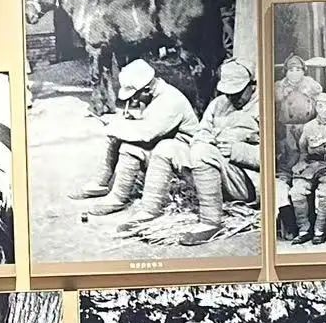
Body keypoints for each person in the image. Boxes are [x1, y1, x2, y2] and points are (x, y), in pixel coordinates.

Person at [72, 58, 200, 222]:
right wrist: (128, 122)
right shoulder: (153, 95)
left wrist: (117, 127)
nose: (133, 101)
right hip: (164, 144)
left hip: (183, 155)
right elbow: (150, 124)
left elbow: (148, 133)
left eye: (135, 96)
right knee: (118, 138)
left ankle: (122, 198)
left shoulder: (170, 100)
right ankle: (100, 183)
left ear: (147, 89)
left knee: (130, 148)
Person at [190, 59, 262, 237]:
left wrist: (238, 151)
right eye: (228, 93)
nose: (232, 98)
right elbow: (200, 133)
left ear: (252, 85)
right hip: (215, 173)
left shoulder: (266, 106)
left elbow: (279, 158)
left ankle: (210, 222)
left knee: (202, 153)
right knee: (169, 147)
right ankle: (148, 210)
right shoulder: (218, 104)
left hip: (249, 180)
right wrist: (210, 140)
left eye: (237, 92)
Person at [289, 91, 326, 245]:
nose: (324, 109)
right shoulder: (308, 127)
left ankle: (320, 230)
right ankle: (304, 230)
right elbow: (303, 150)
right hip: (312, 165)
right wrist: (301, 164)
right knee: (297, 192)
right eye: (320, 106)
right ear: (316, 108)